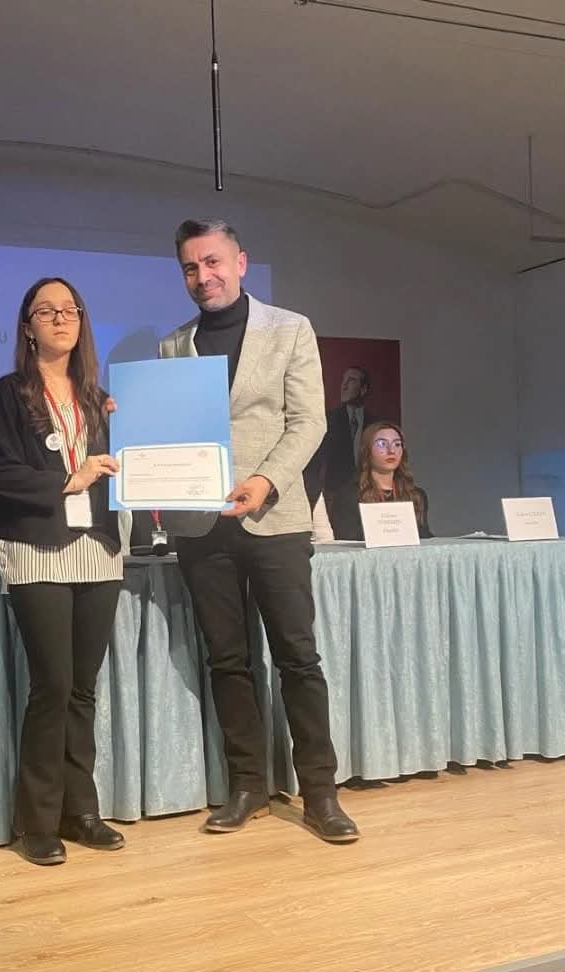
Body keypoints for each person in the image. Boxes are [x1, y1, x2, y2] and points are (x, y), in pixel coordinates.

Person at [159, 218, 358, 843]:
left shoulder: (290, 328)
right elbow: (169, 434)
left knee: (298, 657)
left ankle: (320, 793)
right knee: (227, 660)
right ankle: (248, 785)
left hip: (275, 517)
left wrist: (266, 481)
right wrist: (133, 421)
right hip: (200, 526)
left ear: (241, 262)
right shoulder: (173, 345)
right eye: (191, 267)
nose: (203, 276)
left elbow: (309, 422)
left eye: (213, 262)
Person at [0, 277, 125, 866]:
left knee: (83, 689)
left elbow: (124, 468)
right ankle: (38, 822)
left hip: (99, 548)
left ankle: (81, 810)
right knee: (52, 687)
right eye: (47, 311)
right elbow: (1, 475)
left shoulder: (99, 398)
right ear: (28, 326)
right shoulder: (8, 394)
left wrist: (132, 436)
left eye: (71, 309)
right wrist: (72, 477)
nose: (62, 318)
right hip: (37, 548)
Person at [330, 421, 433, 541]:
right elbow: (347, 542)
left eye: (397, 444)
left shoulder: (416, 495)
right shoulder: (349, 496)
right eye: (382, 444)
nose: (391, 451)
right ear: (367, 451)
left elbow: (424, 538)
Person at [322, 366, 380, 500]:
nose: (344, 386)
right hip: (335, 497)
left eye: (351, 380)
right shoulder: (327, 420)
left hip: (369, 495)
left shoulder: (376, 424)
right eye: (343, 380)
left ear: (363, 389)